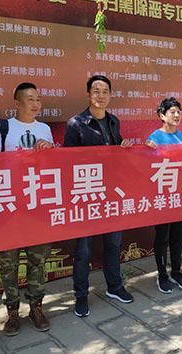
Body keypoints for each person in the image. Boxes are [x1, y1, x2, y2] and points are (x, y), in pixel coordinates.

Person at [64, 75, 134, 318]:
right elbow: (67, 161)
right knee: (83, 250)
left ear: (110, 95)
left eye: (105, 91)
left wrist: (123, 148)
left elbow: (116, 154)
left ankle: (115, 287)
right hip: (86, 194)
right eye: (96, 90)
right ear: (88, 94)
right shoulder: (76, 123)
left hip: (111, 193)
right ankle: (81, 295)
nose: (101, 95)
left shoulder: (113, 121)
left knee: (113, 243)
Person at [0, 82, 54, 335]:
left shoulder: (45, 129)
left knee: (38, 259)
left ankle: (36, 307)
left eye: (38, 99)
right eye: (29, 99)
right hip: (9, 204)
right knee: (8, 262)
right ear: (17, 102)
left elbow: (52, 165)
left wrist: (50, 149)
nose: (35, 104)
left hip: (37, 203)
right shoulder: (2, 128)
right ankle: (12, 311)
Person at [145, 97, 182, 293]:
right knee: (162, 236)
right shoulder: (154, 138)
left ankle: (176, 272)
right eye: (172, 112)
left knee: (177, 235)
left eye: (179, 112)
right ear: (162, 115)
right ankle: (162, 275)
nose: (176, 115)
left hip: (180, 195)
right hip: (162, 197)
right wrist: (147, 150)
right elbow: (145, 166)